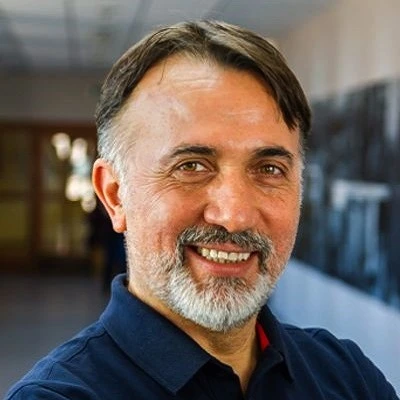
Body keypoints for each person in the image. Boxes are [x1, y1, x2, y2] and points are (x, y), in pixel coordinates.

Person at [6, 20, 398, 399]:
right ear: (115, 195)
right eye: (191, 166)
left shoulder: (348, 378)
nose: (234, 216)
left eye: (269, 169)